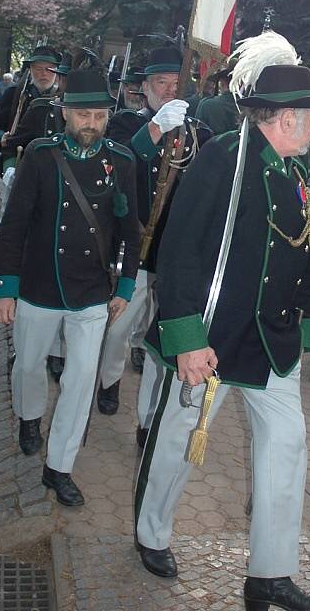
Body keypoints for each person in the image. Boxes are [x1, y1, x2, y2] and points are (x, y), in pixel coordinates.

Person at [135, 32, 310, 611]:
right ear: (287, 118)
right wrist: (186, 338)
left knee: (287, 446)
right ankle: (152, 532)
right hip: (212, 339)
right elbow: (180, 252)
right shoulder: (224, 158)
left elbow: (304, 253)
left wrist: (302, 328)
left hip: (272, 342)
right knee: (176, 443)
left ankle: (269, 575)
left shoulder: (296, 173)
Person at [0, 70, 140, 505]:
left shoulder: (122, 161)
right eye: (82, 115)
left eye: (98, 115)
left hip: (91, 291)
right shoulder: (41, 155)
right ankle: (29, 416)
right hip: (38, 285)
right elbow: (13, 225)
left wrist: (126, 285)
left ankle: (60, 467)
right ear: (66, 113)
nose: (90, 123)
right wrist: (5, 287)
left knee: (80, 381)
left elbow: (131, 230)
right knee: (28, 365)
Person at [102, 47, 211, 437]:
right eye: (160, 84)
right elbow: (116, 164)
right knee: (116, 329)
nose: (168, 90)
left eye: (175, 84)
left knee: (157, 341)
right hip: (133, 249)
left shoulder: (200, 134)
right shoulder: (124, 123)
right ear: (144, 88)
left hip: (175, 255)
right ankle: (109, 379)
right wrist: (155, 130)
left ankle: (148, 420)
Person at [0, 46, 62, 176]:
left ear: (56, 71)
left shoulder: (63, 99)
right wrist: (1, 138)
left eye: (49, 69)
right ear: (31, 69)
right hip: (17, 160)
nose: (44, 73)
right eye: (38, 69)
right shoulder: (14, 94)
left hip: (53, 167)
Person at [196, 66, 240, 134]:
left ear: (222, 83)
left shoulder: (207, 104)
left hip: (210, 144)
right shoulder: (249, 106)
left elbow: (197, 134)